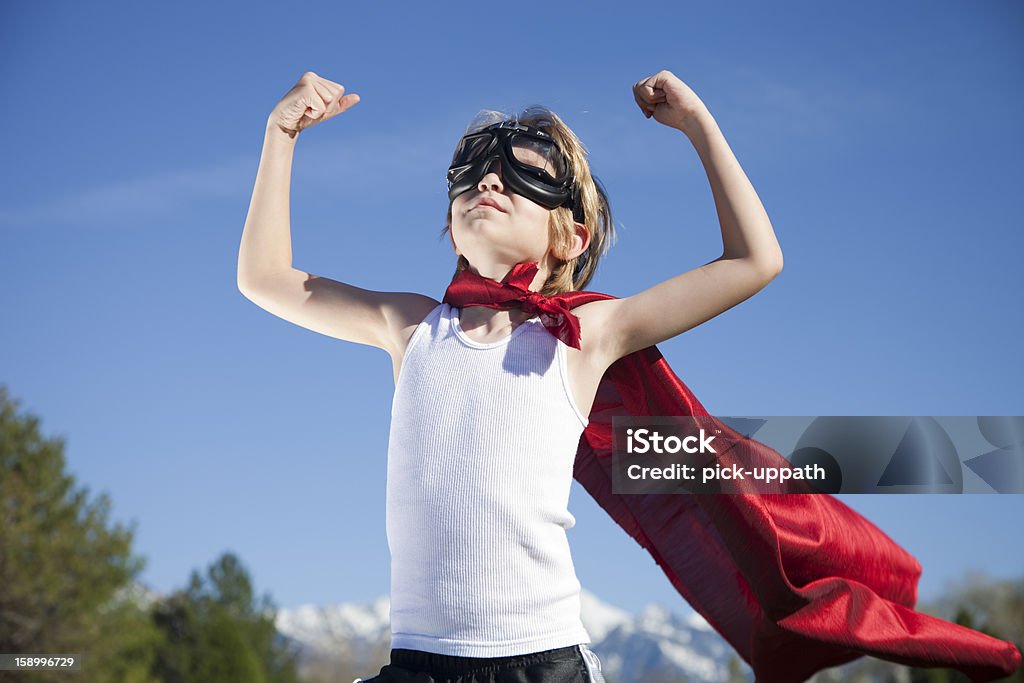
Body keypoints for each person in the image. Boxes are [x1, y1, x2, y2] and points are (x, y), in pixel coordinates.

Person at [237, 72, 1021, 683]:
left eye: (523, 174)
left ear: (568, 236)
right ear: (449, 224)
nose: (491, 179)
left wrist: (699, 127)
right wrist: (280, 136)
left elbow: (756, 260)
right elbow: (264, 277)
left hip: (543, 663)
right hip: (416, 658)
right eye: (474, 169)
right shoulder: (409, 327)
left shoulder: (585, 335)